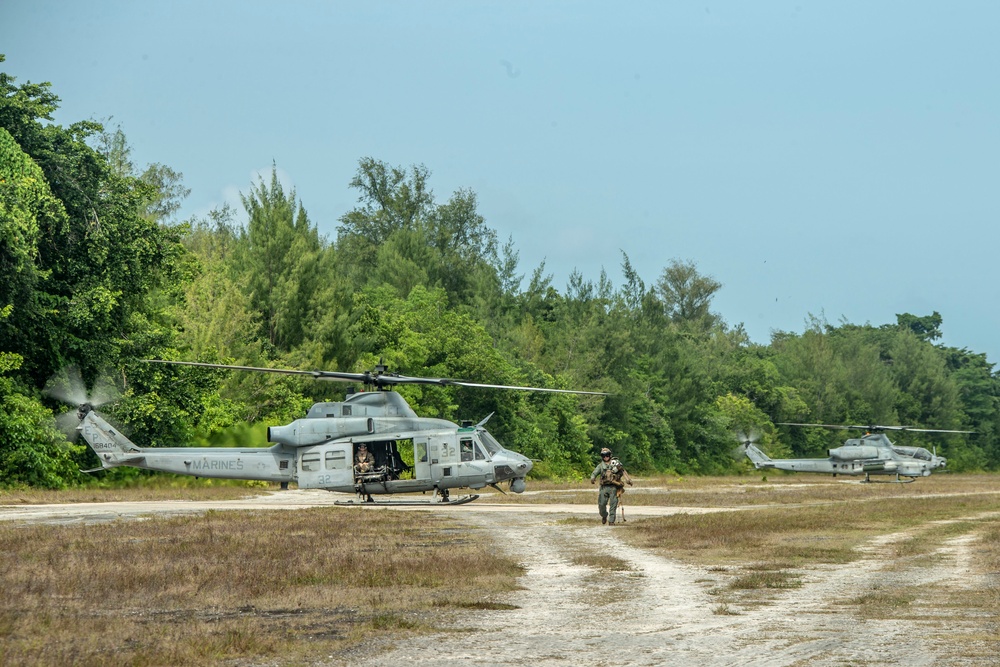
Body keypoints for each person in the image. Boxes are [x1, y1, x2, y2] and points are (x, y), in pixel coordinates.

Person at [589, 447, 632, 525]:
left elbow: (623, 471)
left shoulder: (616, 463)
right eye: (603, 455)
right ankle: (604, 515)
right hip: (604, 488)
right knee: (601, 504)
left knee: (613, 504)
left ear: (610, 455)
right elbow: (594, 473)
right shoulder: (601, 466)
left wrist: (628, 480)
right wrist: (592, 478)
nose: (605, 457)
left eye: (607, 455)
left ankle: (611, 521)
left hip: (614, 487)